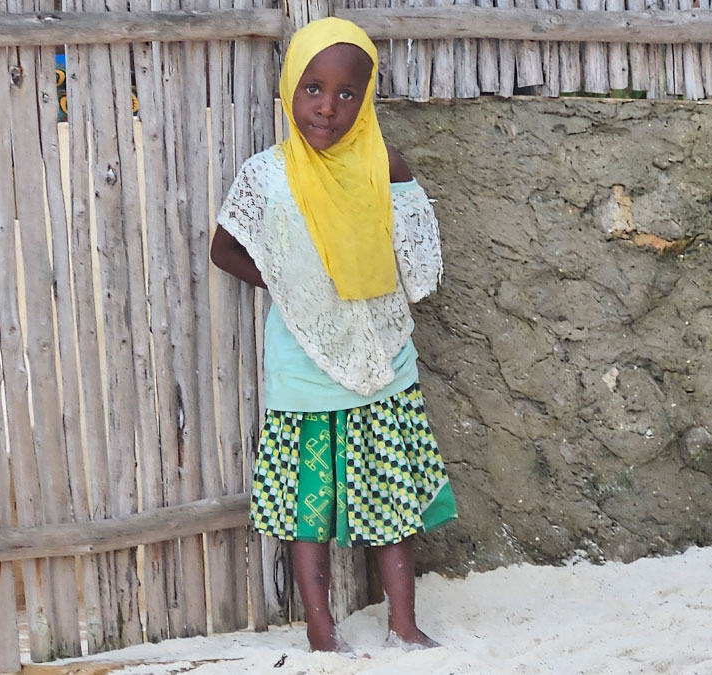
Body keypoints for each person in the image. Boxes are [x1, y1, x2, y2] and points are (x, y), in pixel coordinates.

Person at [210, 16, 457, 654]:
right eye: (313, 88)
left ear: (365, 99)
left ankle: (403, 625)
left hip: (383, 357)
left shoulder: (384, 165)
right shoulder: (266, 176)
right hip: (304, 364)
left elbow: (419, 269)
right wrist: (297, 290)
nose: (327, 107)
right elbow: (223, 250)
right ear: (290, 89)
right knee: (307, 506)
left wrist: (400, 190)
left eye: (347, 93)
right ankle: (322, 629)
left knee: (391, 495)